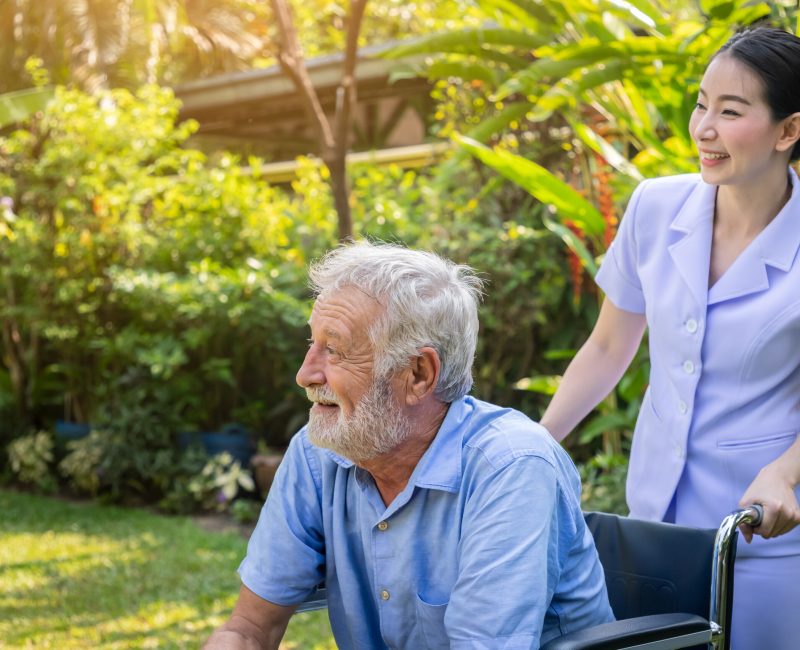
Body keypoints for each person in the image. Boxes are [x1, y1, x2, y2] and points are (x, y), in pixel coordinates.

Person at [205, 242, 613, 649]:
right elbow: (249, 628)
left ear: (418, 374)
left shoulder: (511, 467)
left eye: (335, 350)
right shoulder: (318, 454)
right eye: (311, 345)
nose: (305, 374)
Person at [540, 26, 800, 650]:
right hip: (652, 535)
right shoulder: (655, 207)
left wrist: (786, 474)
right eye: (702, 103)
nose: (703, 127)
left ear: (788, 131)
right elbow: (608, 347)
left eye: (730, 111)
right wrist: (535, 446)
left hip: (765, 537)